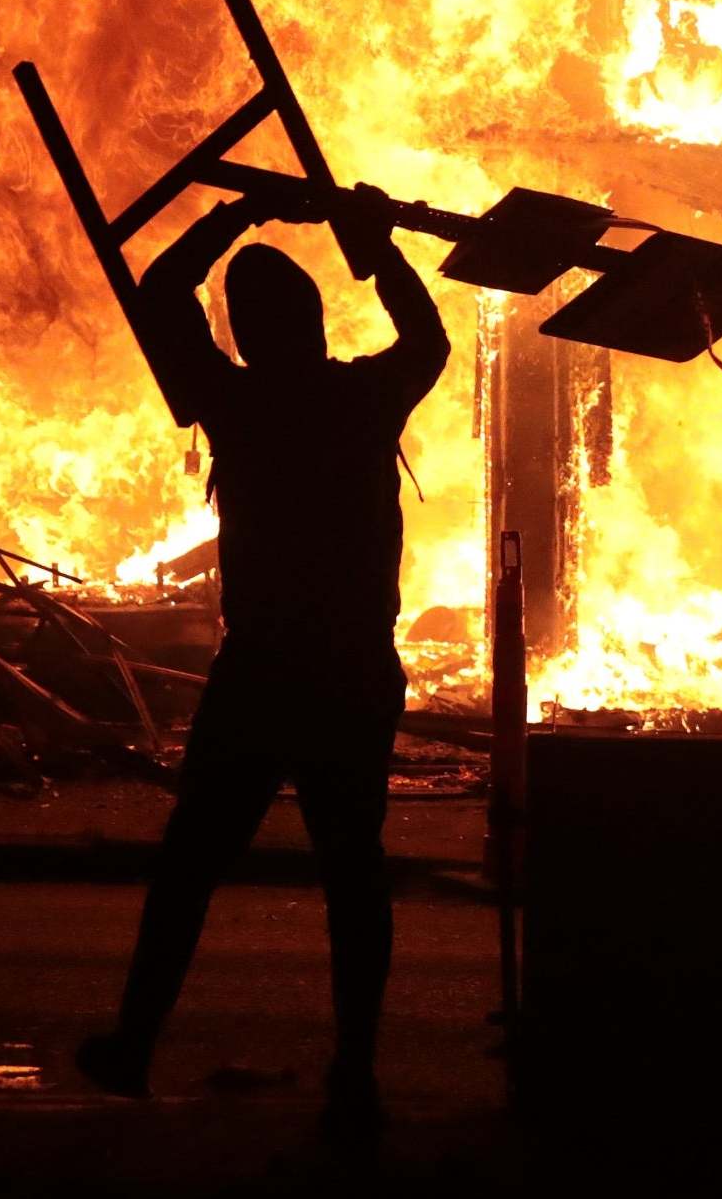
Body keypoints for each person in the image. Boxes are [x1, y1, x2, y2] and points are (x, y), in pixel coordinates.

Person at [77, 180, 449, 1144]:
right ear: (316, 322)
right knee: (352, 875)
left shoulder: (234, 404)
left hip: (266, 672)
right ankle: (355, 1073)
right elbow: (431, 345)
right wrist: (376, 250)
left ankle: (133, 1043)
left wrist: (238, 212)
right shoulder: (362, 398)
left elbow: (160, 292)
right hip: (353, 671)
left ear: (243, 333)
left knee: (194, 863)